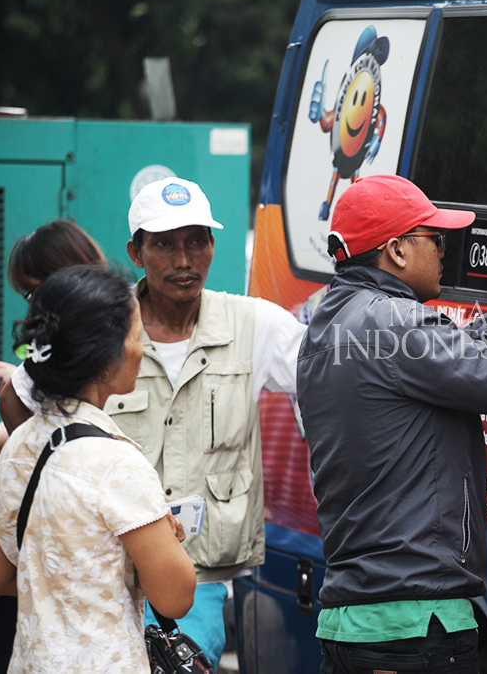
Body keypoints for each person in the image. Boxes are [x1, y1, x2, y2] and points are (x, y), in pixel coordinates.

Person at [296, 175, 487, 674]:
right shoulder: (399, 321)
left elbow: (418, 375)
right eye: (436, 239)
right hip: (416, 625)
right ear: (398, 250)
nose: (446, 251)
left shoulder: (327, 324)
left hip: (351, 621)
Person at [105, 176, 307, 665]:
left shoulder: (253, 324)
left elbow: (335, 376)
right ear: (136, 252)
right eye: (164, 245)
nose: (183, 260)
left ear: (214, 245)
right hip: (108, 579)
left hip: (201, 584)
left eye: (197, 241)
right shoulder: (104, 329)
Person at [0, 265, 197, 673]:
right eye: (136, 336)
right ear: (103, 362)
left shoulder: (18, 446)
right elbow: (176, 598)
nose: (143, 347)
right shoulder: (116, 464)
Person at [0, 220, 109, 434]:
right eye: (29, 295)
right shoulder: (42, 362)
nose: (35, 306)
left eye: (39, 292)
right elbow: (9, 401)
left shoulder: (126, 329)